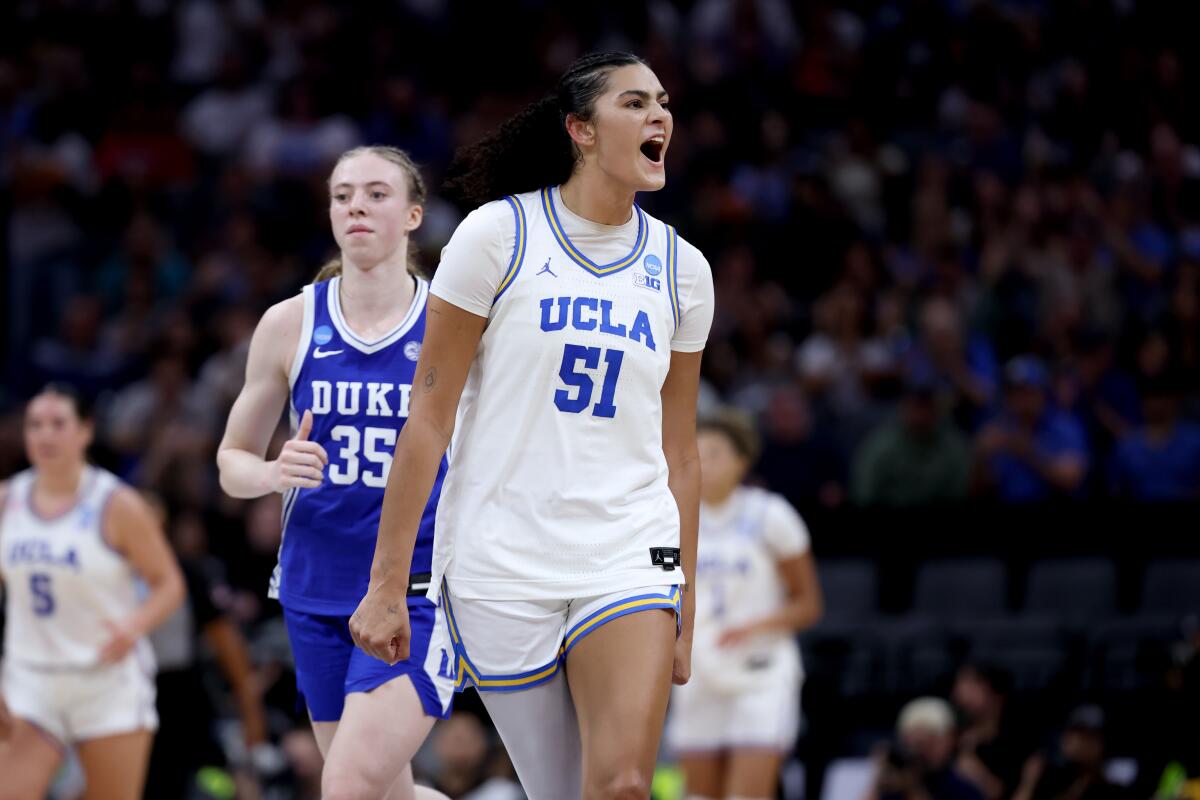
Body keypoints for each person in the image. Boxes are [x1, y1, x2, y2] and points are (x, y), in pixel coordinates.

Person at [350, 51, 715, 800]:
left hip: (625, 549)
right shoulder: (499, 237)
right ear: (580, 129)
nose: (660, 117)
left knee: (621, 787)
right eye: (635, 103)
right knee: (561, 790)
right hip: (501, 558)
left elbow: (680, 450)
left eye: (664, 103)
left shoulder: (683, 270)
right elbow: (428, 417)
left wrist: (687, 590)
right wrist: (388, 582)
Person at [217, 145, 453, 800]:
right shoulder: (289, 322)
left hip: (418, 587)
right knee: (380, 792)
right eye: (343, 193)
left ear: (412, 215)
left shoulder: (450, 325)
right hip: (313, 586)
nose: (356, 205)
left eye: (377, 193)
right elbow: (231, 462)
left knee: (346, 783)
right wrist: (271, 472)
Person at [0, 384, 185, 800]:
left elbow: (169, 583)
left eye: (57, 424)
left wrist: (134, 625)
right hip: (30, 679)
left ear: (85, 431)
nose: (45, 435)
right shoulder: (7, 501)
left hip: (105, 680)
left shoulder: (116, 503)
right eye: (35, 425)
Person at [666, 408, 824, 800]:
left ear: (742, 461)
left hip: (760, 670)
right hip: (698, 669)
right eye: (698, 452)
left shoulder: (771, 515)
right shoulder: (671, 518)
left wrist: (751, 627)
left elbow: (809, 605)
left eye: (716, 452)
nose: (705, 462)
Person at [868, 698, 985, 800]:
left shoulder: (961, 787)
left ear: (949, 739)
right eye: (914, 742)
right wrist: (877, 781)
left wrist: (914, 788)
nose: (920, 751)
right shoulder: (894, 787)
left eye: (929, 742)